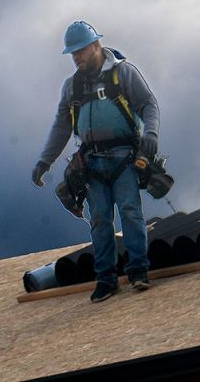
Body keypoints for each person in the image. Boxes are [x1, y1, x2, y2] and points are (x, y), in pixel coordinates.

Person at [32, 21, 161, 303]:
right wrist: (45, 161)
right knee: (100, 220)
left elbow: (148, 104)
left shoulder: (123, 73)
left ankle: (138, 271)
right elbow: (61, 126)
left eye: (80, 51)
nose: (76, 58)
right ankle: (106, 280)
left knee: (130, 212)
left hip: (124, 157)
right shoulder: (72, 87)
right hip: (91, 163)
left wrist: (150, 133)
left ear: (95, 46)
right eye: (72, 54)